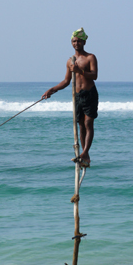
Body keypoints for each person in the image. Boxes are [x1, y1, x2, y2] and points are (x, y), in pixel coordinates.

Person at [42, 28, 98, 167]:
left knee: (88, 123)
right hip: (77, 96)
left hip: (89, 93)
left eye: (79, 41)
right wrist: (52, 90)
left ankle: (85, 152)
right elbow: (66, 81)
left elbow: (95, 75)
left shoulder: (90, 57)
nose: (76, 43)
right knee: (80, 125)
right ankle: (84, 155)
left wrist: (80, 71)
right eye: (74, 41)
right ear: (71, 43)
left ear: (84, 41)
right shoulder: (70, 61)